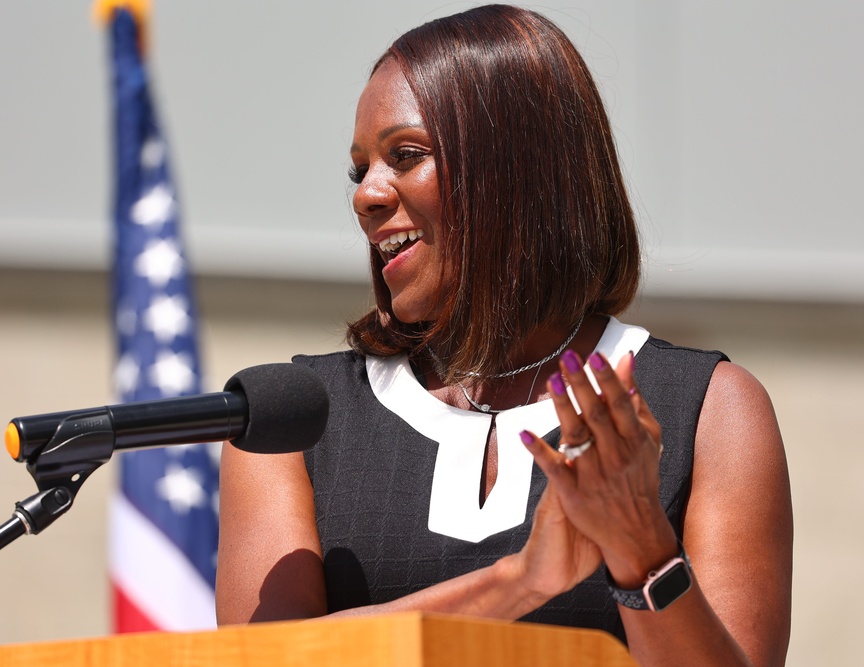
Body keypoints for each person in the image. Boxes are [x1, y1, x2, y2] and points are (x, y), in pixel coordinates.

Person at [216, 5, 792, 666]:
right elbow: (266, 660)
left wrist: (643, 552)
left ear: (522, 171)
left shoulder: (709, 409)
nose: (366, 195)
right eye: (360, 169)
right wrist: (521, 580)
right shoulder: (291, 419)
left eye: (406, 155)